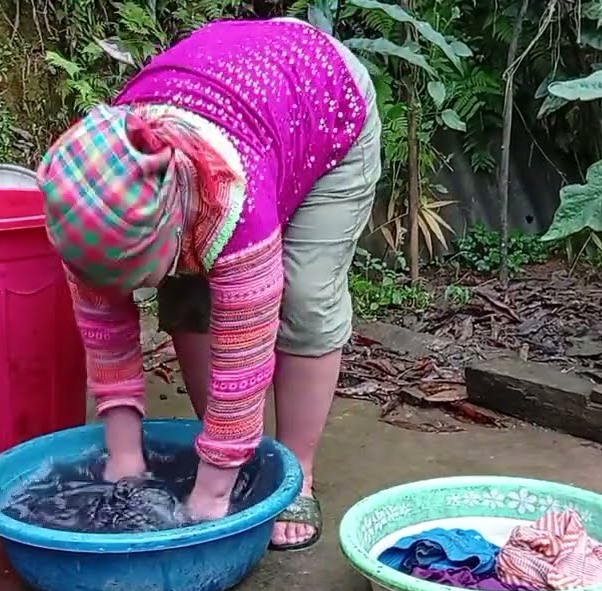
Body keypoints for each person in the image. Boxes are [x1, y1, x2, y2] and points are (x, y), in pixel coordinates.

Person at [35, 16, 381, 550]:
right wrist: (125, 462)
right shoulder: (89, 200)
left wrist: (211, 498)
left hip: (325, 102)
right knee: (190, 297)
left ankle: (294, 472)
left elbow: (245, 359)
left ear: (174, 225)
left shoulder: (234, 210)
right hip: (230, 84)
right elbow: (107, 337)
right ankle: (236, 454)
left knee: (308, 297)